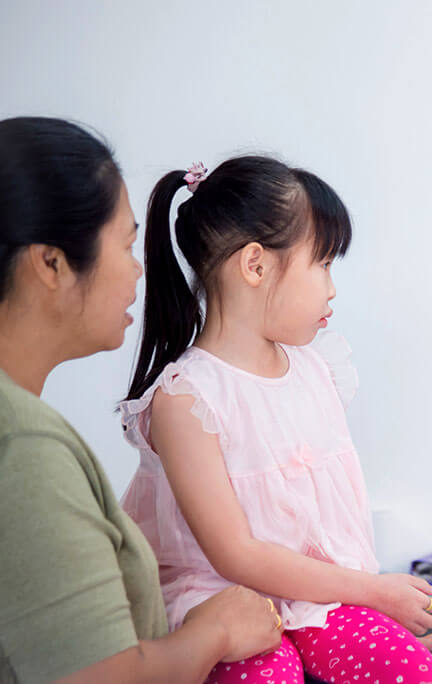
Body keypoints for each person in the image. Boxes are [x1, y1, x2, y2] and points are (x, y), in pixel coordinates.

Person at [120, 155, 432, 684]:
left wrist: (386, 624)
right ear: (255, 266)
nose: (332, 287)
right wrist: (377, 594)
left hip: (320, 600)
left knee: (406, 668)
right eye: (322, 263)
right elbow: (237, 556)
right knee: (269, 675)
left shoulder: (317, 370)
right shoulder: (186, 400)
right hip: (227, 604)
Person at [0, 117, 282, 683]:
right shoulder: (23, 444)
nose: (137, 270)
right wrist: (215, 632)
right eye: (126, 245)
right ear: (51, 264)